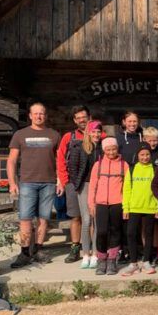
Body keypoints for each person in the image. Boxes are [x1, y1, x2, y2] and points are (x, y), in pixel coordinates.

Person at [7, 102, 61, 269]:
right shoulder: (20, 134)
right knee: (25, 219)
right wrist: (12, 182)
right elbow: (12, 160)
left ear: (46, 115)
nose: (39, 116)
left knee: (44, 218)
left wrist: (60, 180)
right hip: (27, 182)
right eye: (36, 113)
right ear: (30, 116)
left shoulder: (54, 134)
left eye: (42, 113)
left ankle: (38, 250)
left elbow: (60, 160)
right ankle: (24, 253)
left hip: (49, 182)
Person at [87, 137, 128, 276]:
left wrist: (126, 205)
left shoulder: (124, 165)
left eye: (113, 149)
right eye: (108, 150)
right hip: (101, 203)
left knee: (115, 231)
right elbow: (92, 186)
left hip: (117, 203)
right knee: (102, 232)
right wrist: (91, 204)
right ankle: (101, 259)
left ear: (117, 149)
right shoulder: (97, 165)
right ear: (104, 150)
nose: (111, 152)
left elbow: (128, 187)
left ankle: (112, 260)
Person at [65, 120, 103, 269]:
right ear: (88, 132)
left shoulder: (102, 148)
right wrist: (77, 185)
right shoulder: (79, 147)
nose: (96, 134)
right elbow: (72, 168)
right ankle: (85, 253)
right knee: (86, 220)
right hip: (85, 185)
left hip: (100, 186)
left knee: (96, 221)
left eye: (99, 131)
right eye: (94, 131)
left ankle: (95, 253)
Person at [56, 105, 91, 264]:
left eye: (84, 116)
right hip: (73, 183)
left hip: (92, 182)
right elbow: (61, 160)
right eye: (78, 118)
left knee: (91, 217)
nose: (82, 120)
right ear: (75, 120)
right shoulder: (68, 137)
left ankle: (91, 248)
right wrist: (64, 182)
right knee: (76, 217)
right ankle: (75, 247)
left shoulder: (99, 134)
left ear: (89, 117)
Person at [121, 144, 158, 276]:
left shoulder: (154, 169)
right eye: (142, 155)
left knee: (148, 235)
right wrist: (125, 207)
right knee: (131, 234)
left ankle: (146, 261)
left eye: (147, 154)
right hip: (134, 207)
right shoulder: (132, 169)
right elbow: (126, 190)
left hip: (150, 207)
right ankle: (133, 263)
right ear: (137, 155)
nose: (145, 157)